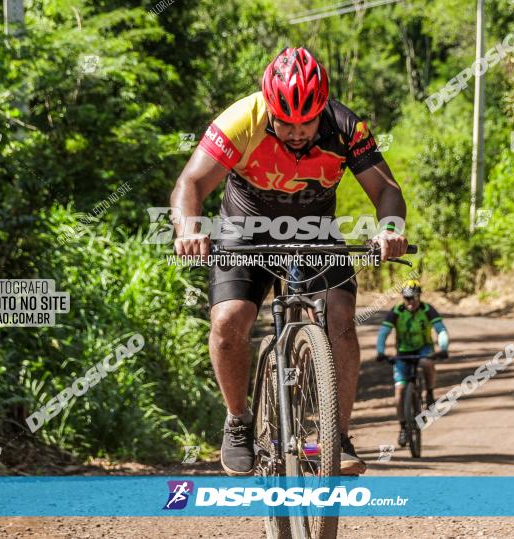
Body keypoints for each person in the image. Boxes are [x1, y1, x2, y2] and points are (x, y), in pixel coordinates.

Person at [170, 47, 408, 476]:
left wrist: (390, 228)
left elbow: (386, 189)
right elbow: (190, 182)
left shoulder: (347, 127)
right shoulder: (241, 121)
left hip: (315, 228)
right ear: (268, 109)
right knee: (228, 320)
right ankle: (238, 420)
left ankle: (338, 437)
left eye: (308, 122)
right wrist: (189, 226)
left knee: (340, 314)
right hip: (246, 226)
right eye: (286, 123)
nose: (297, 133)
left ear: (323, 111)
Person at [376, 279, 449, 447]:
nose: (410, 302)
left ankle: (429, 392)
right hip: (403, 351)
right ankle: (403, 427)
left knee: (426, 362)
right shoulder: (396, 311)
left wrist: (443, 347)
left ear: (419, 297)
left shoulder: (427, 309)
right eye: (406, 298)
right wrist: (381, 352)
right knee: (400, 391)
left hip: (424, 348)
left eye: (413, 298)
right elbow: (383, 333)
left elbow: (441, 330)